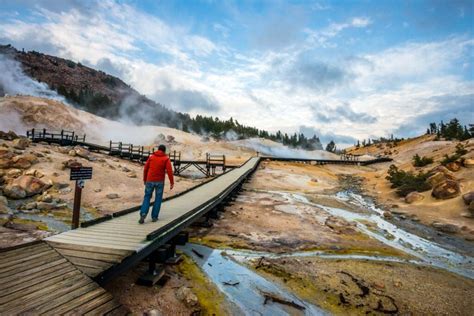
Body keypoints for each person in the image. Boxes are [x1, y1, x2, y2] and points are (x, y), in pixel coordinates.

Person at [139, 144, 174, 224]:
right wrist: (172, 182)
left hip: (149, 180)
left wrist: (145, 179)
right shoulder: (166, 158)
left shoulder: (151, 157)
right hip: (160, 181)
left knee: (147, 197)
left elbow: (145, 169)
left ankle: (143, 214)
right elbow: (169, 171)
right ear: (164, 151)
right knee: (158, 199)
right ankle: (154, 217)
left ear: (158, 149)